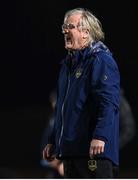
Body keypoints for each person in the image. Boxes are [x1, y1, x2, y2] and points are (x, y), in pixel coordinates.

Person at [43, 8, 120, 178]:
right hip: (71, 154)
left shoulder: (100, 60)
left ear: (85, 32)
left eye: (70, 26)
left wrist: (100, 136)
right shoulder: (67, 67)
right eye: (64, 26)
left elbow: (108, 102)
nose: (65, 30)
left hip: (93, 153)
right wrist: (52, 139)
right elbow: (62, 109)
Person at [40, 91, 64, 178]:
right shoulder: (53, 117)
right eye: (53, 102)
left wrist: (58, 161)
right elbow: (46, 139)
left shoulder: (66, 118)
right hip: (51, 158)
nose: (55, 104)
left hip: (64, 160)